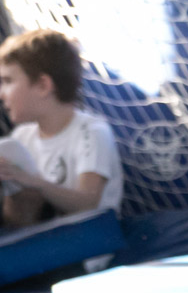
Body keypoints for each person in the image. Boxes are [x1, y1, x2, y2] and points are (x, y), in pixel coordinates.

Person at [0, 28, 122, 230]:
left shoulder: (91, 132)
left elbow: (88, 204)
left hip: (94, 240)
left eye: (7, 82)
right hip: (50, 238)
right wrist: (16, 191)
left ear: (43, 85)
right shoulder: (22, 137)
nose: (2, 94)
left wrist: (33, 182)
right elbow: (19, 222)